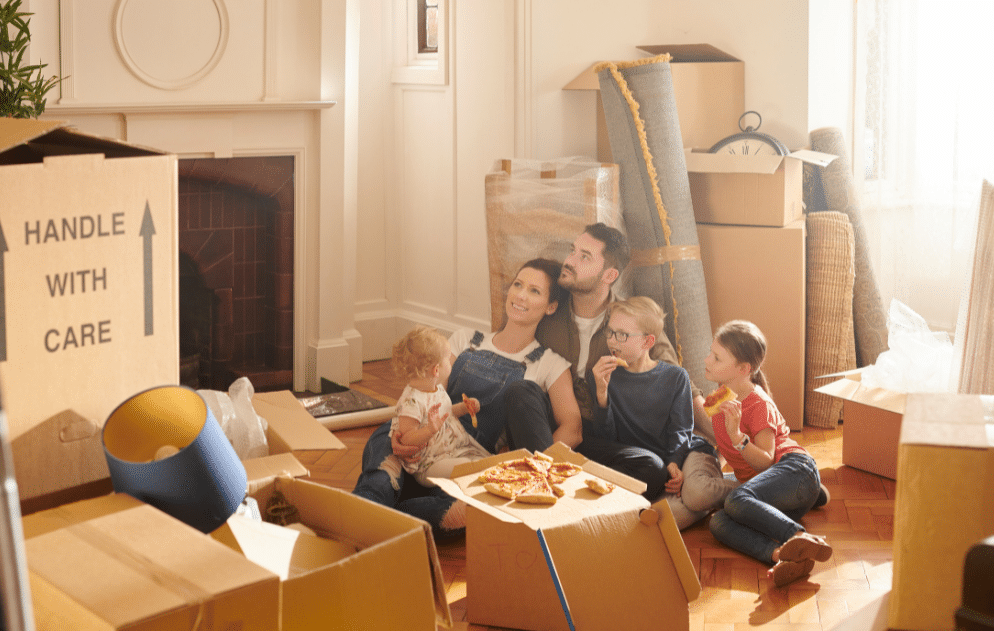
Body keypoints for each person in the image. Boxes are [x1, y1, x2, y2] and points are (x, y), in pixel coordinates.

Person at [504, 222, 732, 528]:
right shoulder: (549, 309)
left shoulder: (630, 324)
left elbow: (682, 386)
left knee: (651, 467)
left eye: (584, 256)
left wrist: (727, 445)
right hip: (555, 429)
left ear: (609, 276)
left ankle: (566, 500)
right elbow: (510, 350)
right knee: (521, 392)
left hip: (603, 440)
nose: (570, 260)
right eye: (573, 250)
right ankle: (558, 493)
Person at [353, 258, 581, 539]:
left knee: (467, 513)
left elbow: (573, 428)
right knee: (383, 443)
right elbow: (427, 390)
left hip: (471, 459)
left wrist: (527, 467)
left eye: (534, 291)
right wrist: (405, 436)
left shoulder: (550, 363)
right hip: (426, 436)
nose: (520, 295)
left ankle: (388, 523)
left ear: (551, 307)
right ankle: (364, 509)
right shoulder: (465, 339)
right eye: (518, 284)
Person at [705, 320, 832, 588]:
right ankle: (783, 557)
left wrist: (738, 437)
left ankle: (800, 536)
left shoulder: (758, 403)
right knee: (718, 522)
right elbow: (727, 453)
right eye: (711, 353)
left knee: (736, 499)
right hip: (767, 487)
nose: (707, 360)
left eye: (716, 357)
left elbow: (765, 461)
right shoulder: (720, 399)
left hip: (793, 466)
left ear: (743, 369)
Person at [585, 297, 738, 505]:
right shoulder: (601, 375)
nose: (612, 341)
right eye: (610, 332)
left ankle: (751, 490)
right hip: (645, 467)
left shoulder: (675, 377)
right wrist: (601, 394)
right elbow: (609, 440)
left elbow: (681, 429)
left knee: (694, 496)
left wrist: (674, 463)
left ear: (648, 342)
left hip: (680, 455)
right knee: (661, 510)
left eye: (622, 335)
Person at [380, 325, 490, 489]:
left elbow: (447, 414)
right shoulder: (411, 402)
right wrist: (429, 430)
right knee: (467, 467)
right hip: (429, 465)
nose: (450, 360)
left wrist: (464, 408)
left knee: (483, 463)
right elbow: (406, 438)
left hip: (452, 450)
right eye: (447, 358)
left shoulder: (437, 389)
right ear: (436, 369)